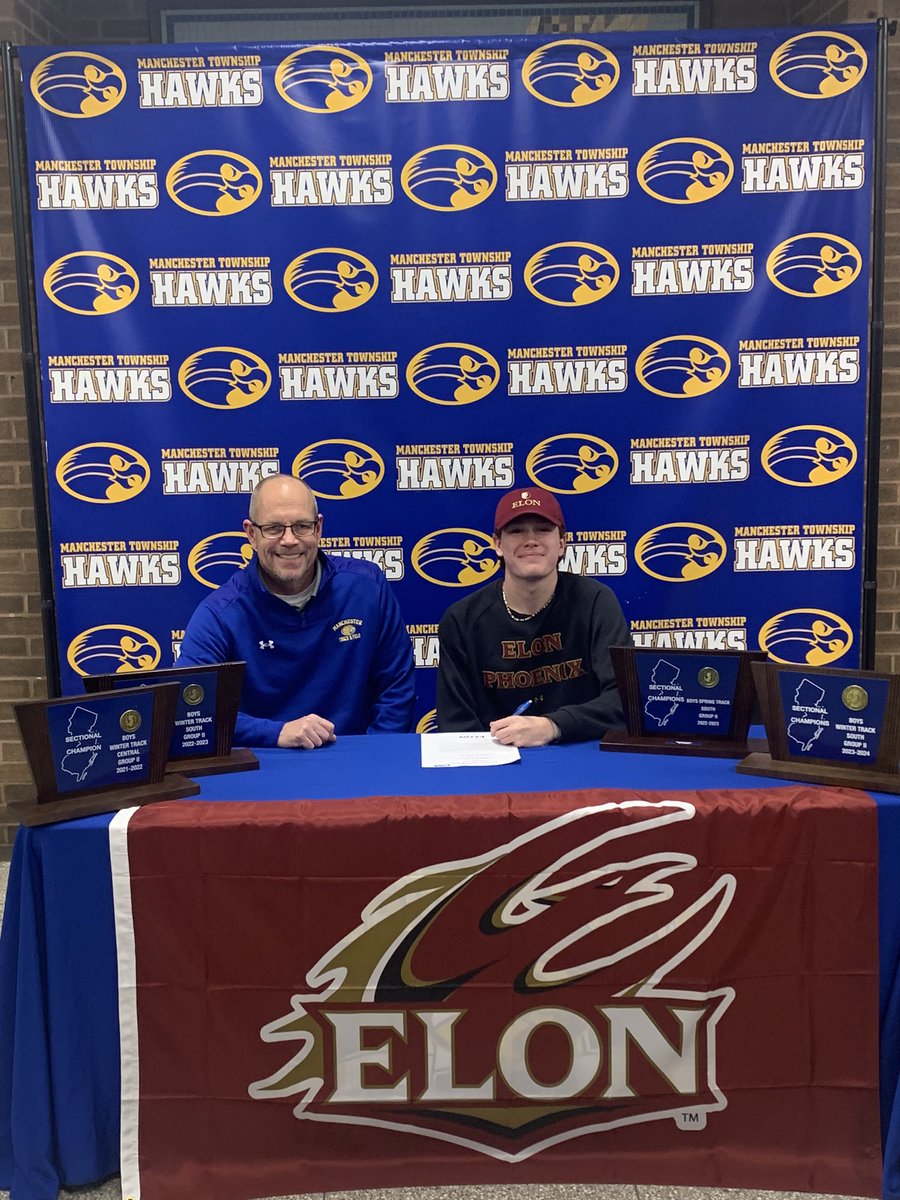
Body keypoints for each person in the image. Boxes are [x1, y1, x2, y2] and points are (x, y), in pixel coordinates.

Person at [178, 473, 415, 748]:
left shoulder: (367, 589)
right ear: (251, 534)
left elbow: (396, 691)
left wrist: (375, 759)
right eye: (274, 528)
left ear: (318, 528)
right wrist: (275, 733)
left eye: (302, 526)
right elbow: (191, 713)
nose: (289, 540)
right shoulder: (219, 615)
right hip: (264, 766)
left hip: (358, 761)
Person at [436, 486, 628, 746]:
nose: (531, 539)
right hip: (496, 763)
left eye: (543, 529)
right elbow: (455, 723)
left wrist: (553, 726)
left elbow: (625, 700)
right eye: (516, 531)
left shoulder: (595, 602)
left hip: (581, 754)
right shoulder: (462, 620)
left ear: (561, 543)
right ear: (498, 544)